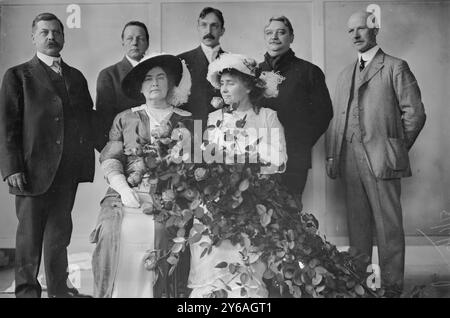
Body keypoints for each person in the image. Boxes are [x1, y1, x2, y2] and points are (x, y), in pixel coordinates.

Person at [325, 11, 426, 296]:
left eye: (361, 29)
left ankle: (392, 288)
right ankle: (362, 284)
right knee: (357, 228)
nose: (355, 35)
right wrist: (334, 156)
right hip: (349, 159)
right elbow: (338, 120)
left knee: (388, 229)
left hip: (382, 159)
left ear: (375, 30)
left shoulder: (395, 66)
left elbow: (415, 114)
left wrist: (395, 149)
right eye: (350, 30)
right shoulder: (345, 74)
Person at [0, 13, 95, 298]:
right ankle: (27, 293)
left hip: (66, 173)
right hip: (29, 172)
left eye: (56, 32)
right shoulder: (18, 76)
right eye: (44, 32)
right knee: (29, 240)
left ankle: (58, 292)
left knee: (58, 238)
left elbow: (87, 121)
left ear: (63, 37)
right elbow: (7, 125)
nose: (51, 37)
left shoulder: (76, 77)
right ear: (34, 37)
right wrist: (11, 168)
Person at [90, 53, 192, 298]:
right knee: (113, 230)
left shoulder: (187, 121)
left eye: (160, 78)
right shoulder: (126, 118)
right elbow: (111, 158)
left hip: (171, 196)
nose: (155, 83)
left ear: (170, 84)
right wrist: (124, 190)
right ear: (140, 86)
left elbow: (195, 167)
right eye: (148, 78)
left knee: (167, 233)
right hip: (128, 194)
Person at [188, 53, 287, 298]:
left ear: (249, 85)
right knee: (212, 261)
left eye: (230, 82)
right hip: (218, 203)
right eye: (221, 84)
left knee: (246, 271)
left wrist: (244, 141)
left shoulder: (266, 117)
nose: (224, 89)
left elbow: (279, 161)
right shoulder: (214, 118)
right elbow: (208, 163)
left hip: (255, 201)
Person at [258, 16, 333, 208]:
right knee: (259, 214)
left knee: (290, 213)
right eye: (269, 33)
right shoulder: (253, 73)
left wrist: (300, 143)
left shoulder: (309, 71)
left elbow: (324, 114)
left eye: (281, 32)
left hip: (294, 157)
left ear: (291, 37)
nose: (274, 37)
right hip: (258, 158)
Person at [95, 21, 150, 150]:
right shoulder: (109, 75)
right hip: (125, 149)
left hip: (158, 150)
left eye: (140, 38)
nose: (135, 43)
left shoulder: (157, 73)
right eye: (130, 38)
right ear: (123, 43)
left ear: (147, 43)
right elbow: (104, 121)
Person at [178, 7, 226, 125]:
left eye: (214, 26)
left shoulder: (233, 62)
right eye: (204, 25)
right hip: (193, 130)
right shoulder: (181, 61)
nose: (208, 31)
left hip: (224, 130)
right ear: (198, 28)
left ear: (222, 30)